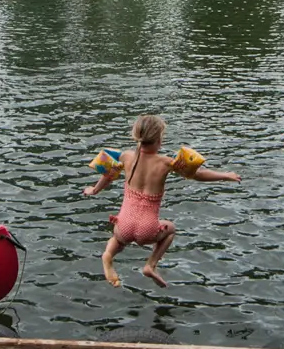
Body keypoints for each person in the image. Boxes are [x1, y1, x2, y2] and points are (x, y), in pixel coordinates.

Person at [84, 115, 240, 288]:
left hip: (124, 225)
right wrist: (226, 176)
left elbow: (108, 175)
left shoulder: (126, 157)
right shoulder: (166, 163)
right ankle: (150, 265)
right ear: (159, 139)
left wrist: (94, 190)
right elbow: (198, 174)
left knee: (118, 239)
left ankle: (108, 255)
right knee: (171, 229)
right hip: (147, 229)